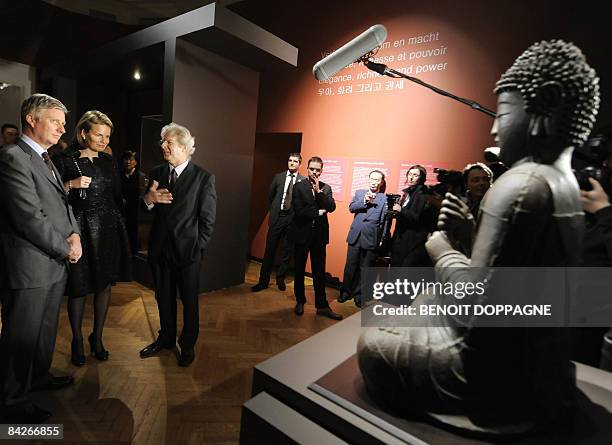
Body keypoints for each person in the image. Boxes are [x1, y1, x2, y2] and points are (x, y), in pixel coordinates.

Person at [358, 40, 600, 436]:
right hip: (540, 360)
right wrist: (471, 235)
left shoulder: (519, 185)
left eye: (503, 112)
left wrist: (443, 251)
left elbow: (478, 305)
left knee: (374, 345)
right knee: (422, 298)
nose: (492, 126)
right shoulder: (566, 183)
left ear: (547, 103)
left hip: (487, 373)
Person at [0, 94, 82, 423]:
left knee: (44, 330)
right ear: (32, 120)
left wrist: (74, 232)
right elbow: (29, 218)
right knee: (21, 335)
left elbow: (62, 206)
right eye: (56, 121)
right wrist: (67, 248)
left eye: (64, 123)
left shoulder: (46, 157)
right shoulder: (12, 157)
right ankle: (11, 400)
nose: (64, 128)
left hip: (53, 262)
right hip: (29, 265)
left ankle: (38, 377)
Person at [53, 110, 132, 367]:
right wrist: (70, 185)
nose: (103, 140)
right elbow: (52, 199)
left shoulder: (109, 161)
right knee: (79, 287)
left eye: (107, 136)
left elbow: (118, 197)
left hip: (108, 228)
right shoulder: (64, 159)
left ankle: (96, 338)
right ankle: (77, 340)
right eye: (98, 134)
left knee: (103, 285)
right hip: (80, 229)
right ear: (84, 132)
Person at [139, 123, 216, 367]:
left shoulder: (203, 177)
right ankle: (166, 338)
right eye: (163, 142)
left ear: (183, 146)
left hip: (188, 253)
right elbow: (144, 209)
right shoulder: (157, 173)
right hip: (160, 251)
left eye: (168, 142)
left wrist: (198, 247)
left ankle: (188, 344)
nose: (163, 146)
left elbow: (208, 219)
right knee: (164, 297)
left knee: (190, 301)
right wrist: (149, 199)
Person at [290, 156, 341, 320]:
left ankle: (322, 306)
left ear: (321, 171)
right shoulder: (299, 187)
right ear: (307, 168)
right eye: (312, 169)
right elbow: (298, 210)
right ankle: (300, 301)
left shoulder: (325, 188)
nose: (314, 172)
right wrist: (317, 212)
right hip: (302, 234)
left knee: (319, 272)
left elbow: (331, 207)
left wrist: (318, 192)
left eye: (317, 169)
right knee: (299, 269)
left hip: (319, 236)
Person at [252, 153, 305, 292]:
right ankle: (263, 281)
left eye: (295, 161)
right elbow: (271, 196)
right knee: (269, 249)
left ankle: (280, 278)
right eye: (290, 160)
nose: (292, 163)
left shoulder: (303, 181)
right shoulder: (278, 177)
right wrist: (277, 210)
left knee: (287, 251)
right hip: (278, 217)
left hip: (292, 219)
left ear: (300, 164)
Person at [338, 170, 387, 307]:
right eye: (371, 178)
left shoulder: (383, 198)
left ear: (381, 182)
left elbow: (384, 220)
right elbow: (351, 208)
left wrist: (382, 238)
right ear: (368, 179)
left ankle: (359, 295)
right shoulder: (360, 193)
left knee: (365, 268)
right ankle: (345, 292)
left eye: (377, 180)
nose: (373, 182)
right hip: (355, 235)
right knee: (350, 266)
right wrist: (364, 201)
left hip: (371, 237)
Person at [390, 165, 437, 267]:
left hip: (411, 243)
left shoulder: (422, 193)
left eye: (415, 175)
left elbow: (417, 217)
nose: (411, 177)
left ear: (421, 178)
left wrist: (401, 210)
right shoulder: (408, 192)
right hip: (401, 239)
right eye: (410, 174)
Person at [120, 150, 149, 254]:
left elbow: (143, 195)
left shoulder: (141, 177)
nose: (128, 162)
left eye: (131, 159)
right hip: (122, 211)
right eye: (126, 159)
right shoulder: (119, 176)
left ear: (135, 162)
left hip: (136, 212)